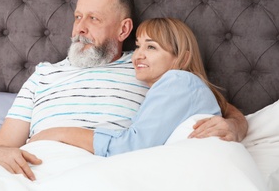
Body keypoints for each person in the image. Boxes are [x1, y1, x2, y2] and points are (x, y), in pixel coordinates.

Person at [0, 0, 248, 181]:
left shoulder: (147, 66)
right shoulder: (43, 75)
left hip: (106, 168)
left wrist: (235, 126)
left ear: (123, 29)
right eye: (78, 17)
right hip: (30, 170)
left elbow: (215, 104)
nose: (80, 28)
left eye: (94, 18)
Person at [30, 17, 228, 157]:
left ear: (183, 58)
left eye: (151, 47)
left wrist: (60, 133)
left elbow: (132, 145)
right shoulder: (178, 87)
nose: (138, 55)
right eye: (138, 46)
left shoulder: (178, 81)